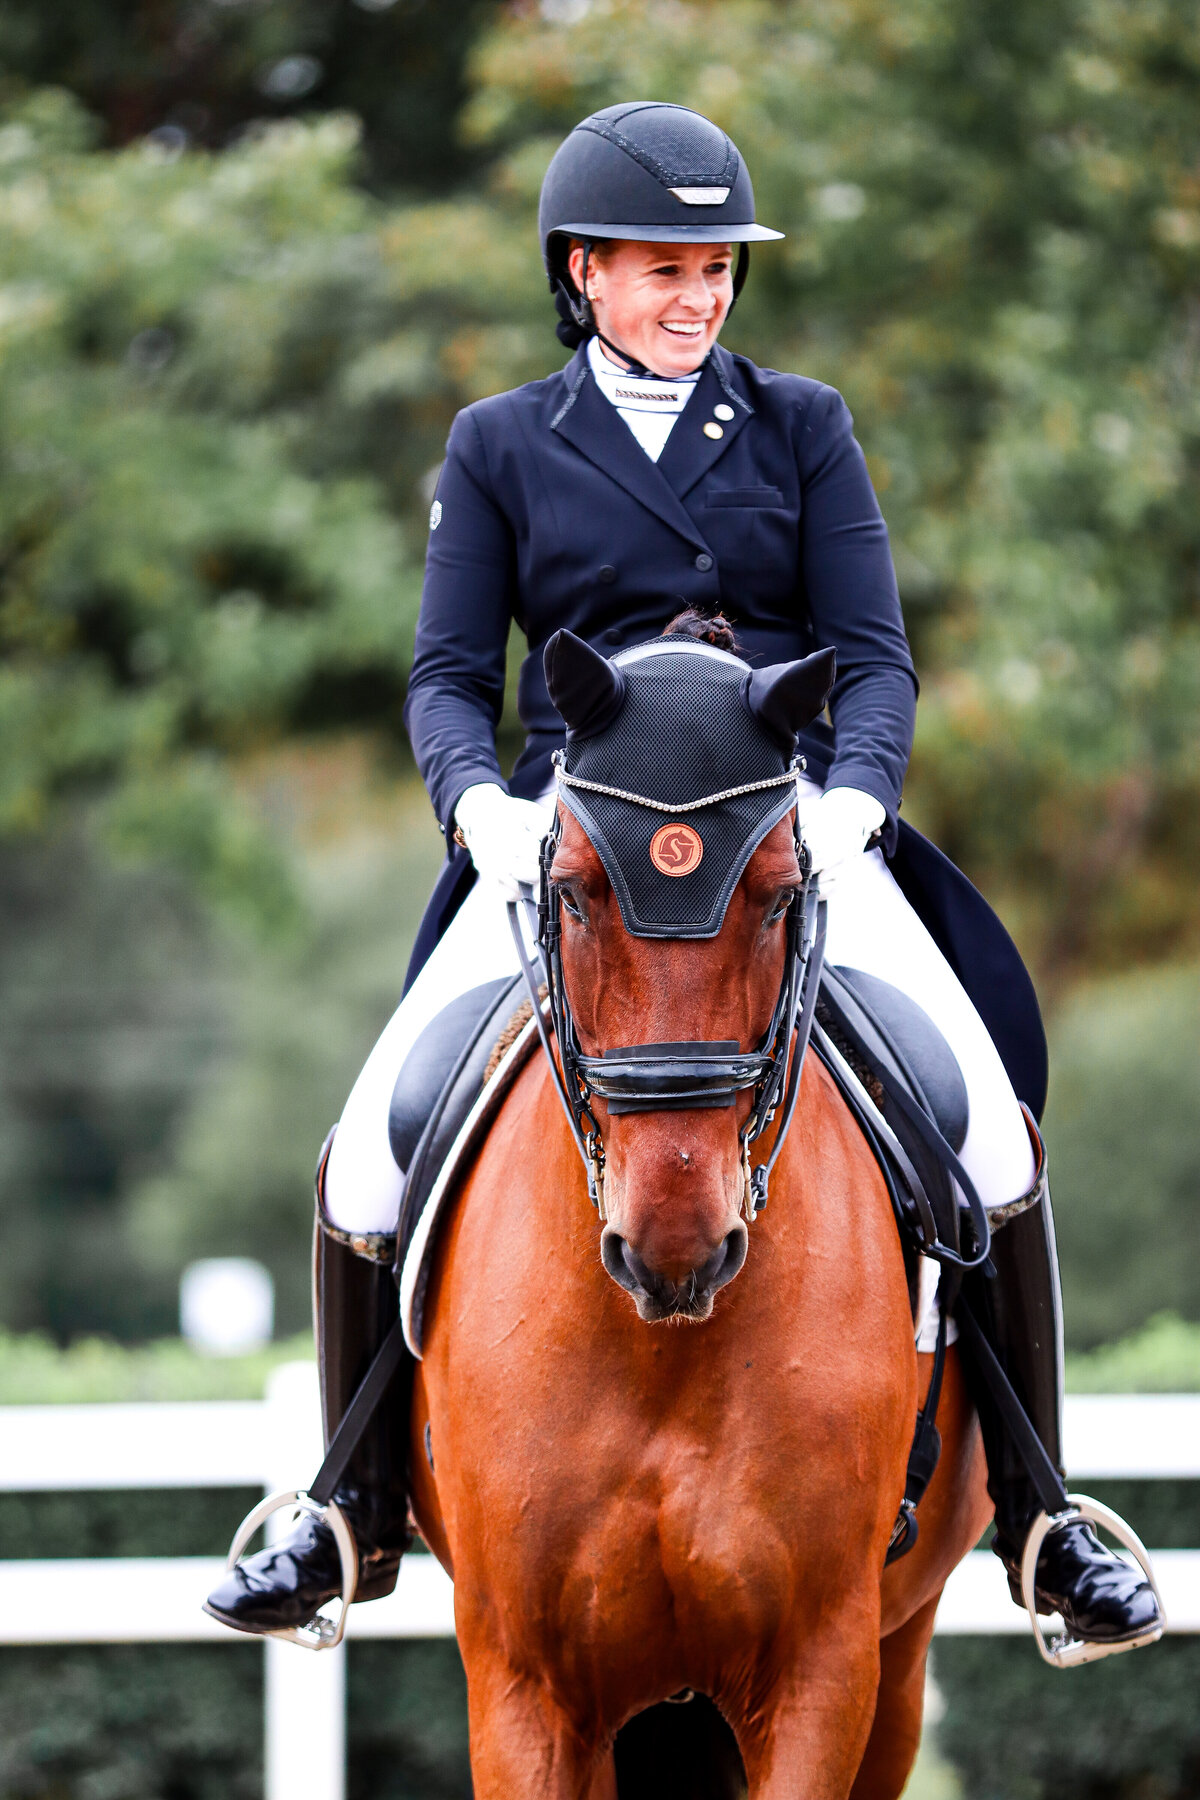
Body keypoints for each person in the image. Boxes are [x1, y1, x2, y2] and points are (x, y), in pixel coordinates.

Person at [205, 101, 1161, 1653]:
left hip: (781, 848)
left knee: (988, 1128)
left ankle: (1047, 1520)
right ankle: (345, 1512)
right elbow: (448, 676)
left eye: (717, 268)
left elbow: (875, 658)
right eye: (665, 268)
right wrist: (477, 812)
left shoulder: (802, 423)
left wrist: (855, 797)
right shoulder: (502, 442)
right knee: (364, 1156)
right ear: (582, 271)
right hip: (573, 853)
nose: (700, 296)